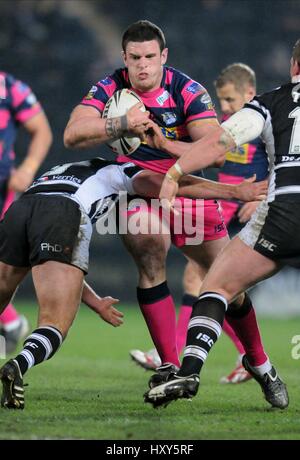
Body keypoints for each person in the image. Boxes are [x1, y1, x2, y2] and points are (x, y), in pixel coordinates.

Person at [64, 19, 271, 391]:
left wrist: (164, 145)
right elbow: (73, 133)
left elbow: (218, 154)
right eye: (134, 58)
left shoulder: (186, 89)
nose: (142, 65)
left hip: (191, 189)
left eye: (149, 57)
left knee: (228, 283)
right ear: (124, 58)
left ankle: (257, 360)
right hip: (140, 190)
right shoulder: (111, 87)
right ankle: (171, 365)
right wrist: (120, 123)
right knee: (147, 245)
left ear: (164, 56)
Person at [0, 152, 266, 410]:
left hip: (20, 209)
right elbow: (173, 185)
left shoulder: (60, 170)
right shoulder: (122, 171)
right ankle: (19, 365)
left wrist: (94, 302)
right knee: (54, 324)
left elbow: (58, 265)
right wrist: (233, 191)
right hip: (64, 213)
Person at [144, 38, 300, 410]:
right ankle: (255, 364)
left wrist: (175, 172)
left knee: (215, 286)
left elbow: (219, 142)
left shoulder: (270, 101)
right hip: (256, 204)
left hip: (282, 213)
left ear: (294, 67)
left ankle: (191, 369)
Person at [130, 63, 269, 385]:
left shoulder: (262, 123)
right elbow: (203, 155)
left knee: (210, 281)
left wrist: (260, 197)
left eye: (231, 100)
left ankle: (179, 352)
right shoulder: (226, 129)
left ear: (249, 93)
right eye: (221, 101)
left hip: (249, 208)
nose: (225, 108)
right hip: (225, 206)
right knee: (205, 281)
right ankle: (241, 355)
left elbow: (284, 164)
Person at [0, 71, 53, 353]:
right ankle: (10, 322)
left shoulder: (10, 88)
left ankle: (11, 322)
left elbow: (42, 130)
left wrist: (28, 169)